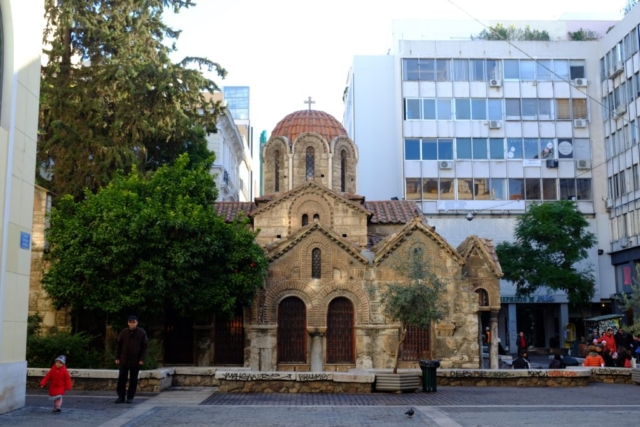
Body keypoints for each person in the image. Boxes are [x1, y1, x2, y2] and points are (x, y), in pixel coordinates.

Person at [115, 315, 148, 404]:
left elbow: (144, 347)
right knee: (122, 378)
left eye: (133, 322)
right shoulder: (124, 332)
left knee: (133, 379)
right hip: (124, 359)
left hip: (135, 359)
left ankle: (130, 396)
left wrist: (142, 359)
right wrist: (117, 357)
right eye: (130, 322)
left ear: (137, 322)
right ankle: (121, 396)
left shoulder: (141, 333)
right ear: (128, 323)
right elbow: (119, 345)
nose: (132, 324)